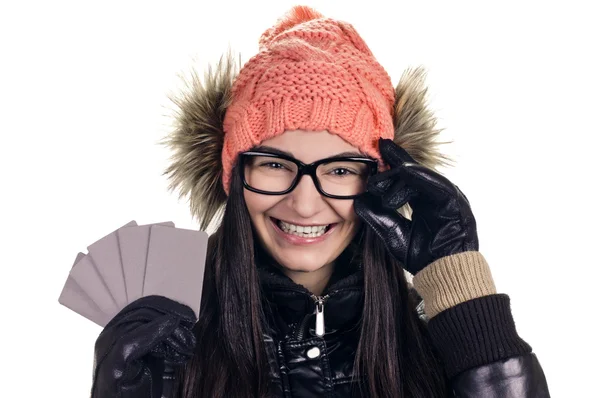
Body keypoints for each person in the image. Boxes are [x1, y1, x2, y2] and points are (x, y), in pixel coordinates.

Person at [90, 5, 551, 398]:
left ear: (380, 183)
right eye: (274, 165)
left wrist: (462, 290)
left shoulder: (441, 336)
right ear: (234, 175)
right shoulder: (169, 340)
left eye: (339, 170)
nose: (305, 204)